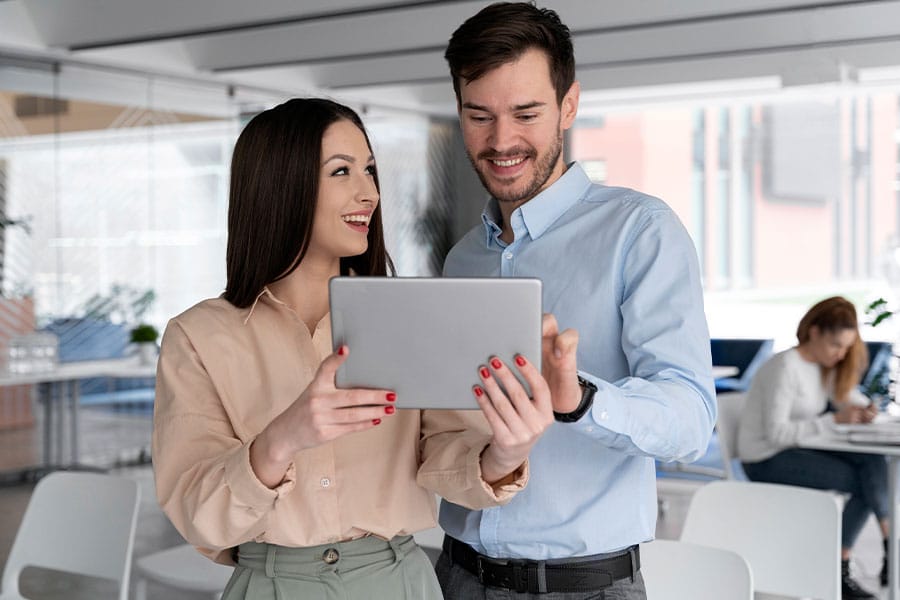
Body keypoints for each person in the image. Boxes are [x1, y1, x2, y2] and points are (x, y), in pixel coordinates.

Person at [152, 97, 558, 600]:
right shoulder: (197, 337)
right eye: (342, 171)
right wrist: (282, 439)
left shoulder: (408, 317)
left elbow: (444, 453)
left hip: (399, 583)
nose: (370, 193)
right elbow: (198, 514)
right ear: (280, 185)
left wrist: (505, 453)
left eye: (369, 170)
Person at [434, 3, 717, 598]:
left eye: (526, 113)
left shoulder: (640, 230)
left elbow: (692, 419)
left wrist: (581, 400)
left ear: (568, 105)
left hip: (584, 588)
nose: (501, 141)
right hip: (455, 576)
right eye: (479, 116)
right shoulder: (463, 259)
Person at [738, 296, 886, 599]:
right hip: (765, 458)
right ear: (814, 332)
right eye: (835, 345)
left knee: (872, 461)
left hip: (797, 449)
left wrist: (865, 410)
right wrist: (834, 420)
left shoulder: (823, 366)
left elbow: (846, 398)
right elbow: (777, 434)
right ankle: (841, 565)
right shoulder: (785, 367)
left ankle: (888, 540)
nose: (840, 354)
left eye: (846, 347)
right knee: (863, 481)